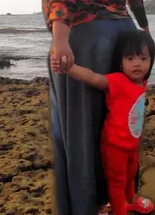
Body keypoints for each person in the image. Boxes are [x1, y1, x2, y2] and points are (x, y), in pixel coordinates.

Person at [28, 0, 155, 214]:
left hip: (86, 38)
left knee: (81, 135)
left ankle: (86, 206)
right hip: (124, 35)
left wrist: (60, 38)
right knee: (118, 125)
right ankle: (117, 200)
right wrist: (143, 30)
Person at [51, 30, 155, 215]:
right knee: (116, 183)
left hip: (132, 144)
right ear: (120, 62)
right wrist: (69, 67)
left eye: (143, 58)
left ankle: (130, 200)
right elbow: (92, 77)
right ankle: (118, 210)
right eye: (130, 58)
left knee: (131, 175)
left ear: (151, 61)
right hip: (114, 146)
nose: (137, 63)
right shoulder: (118, 81)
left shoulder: (143, 81)